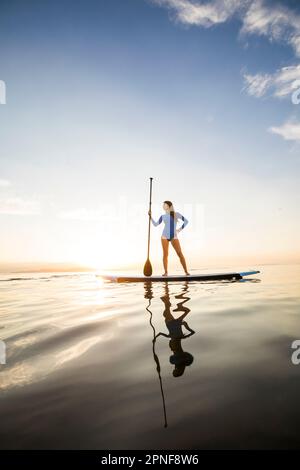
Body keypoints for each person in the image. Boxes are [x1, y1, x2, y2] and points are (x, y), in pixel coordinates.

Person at [148, 200, 190, 276]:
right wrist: (150, 216)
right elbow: (155, 224)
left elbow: (186, 221)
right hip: (164, 236)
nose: (163, 206)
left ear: (169, 206)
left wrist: (179, 230)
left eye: (165, 204)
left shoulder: (176, 214)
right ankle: (166, 272)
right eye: (163, 205)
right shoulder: (163, 216)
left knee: (180, 253)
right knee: (165, 254)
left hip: (174, 236)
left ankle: (186, 271)